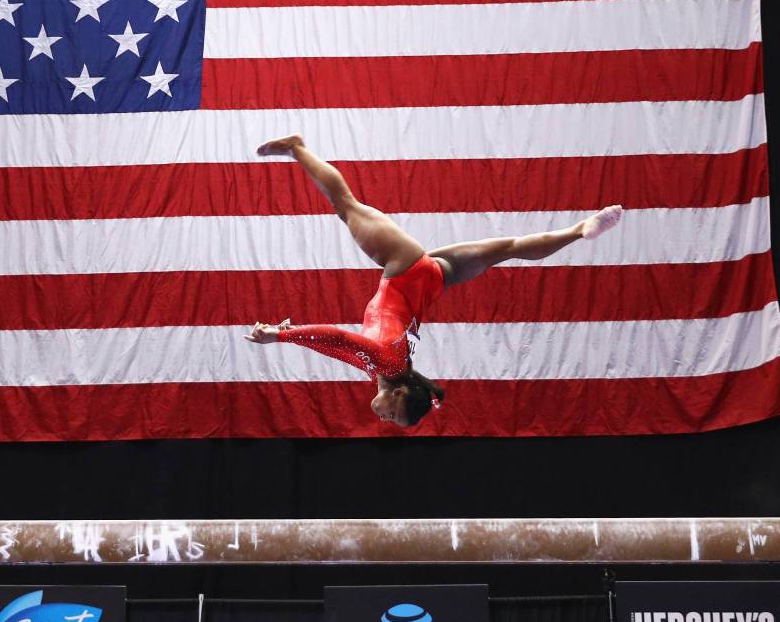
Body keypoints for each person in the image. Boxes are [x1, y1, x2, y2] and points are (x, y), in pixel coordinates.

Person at [244, 134, 624, 427]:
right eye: (394, 416)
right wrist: (281, 337)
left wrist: (288, 334)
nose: (384, 420)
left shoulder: (383, 368)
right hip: (404, 267)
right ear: (401, 394)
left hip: (434, 280)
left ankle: (579, 230)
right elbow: (337, 338)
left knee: (509, 247)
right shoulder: (386, 363)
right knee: (346, 206)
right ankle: (297, 147)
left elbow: (335, 348)